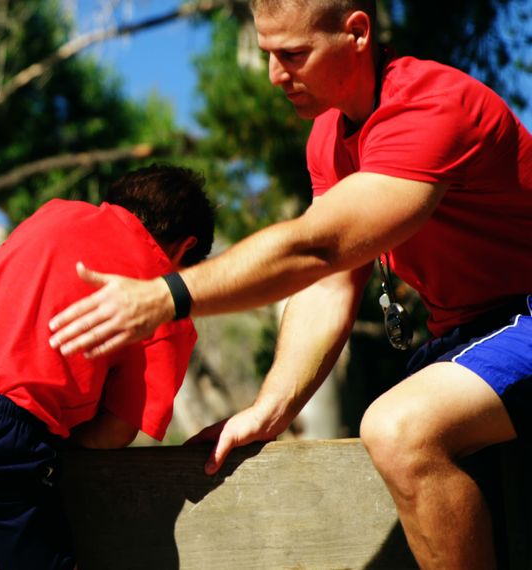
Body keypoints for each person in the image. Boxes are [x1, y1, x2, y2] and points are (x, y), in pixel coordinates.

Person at [46, 1, 532, 567]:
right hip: (470, 335)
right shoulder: (328, 138)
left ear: (356, 33)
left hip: (520, 314)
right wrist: (270, 408)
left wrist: (169, 295)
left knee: (401, 428)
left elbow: (316, 248)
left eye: (294, 54)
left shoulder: (429, 105)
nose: (277, 75)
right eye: (268, 54)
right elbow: (329, 282)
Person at [0, 165, 214, 569]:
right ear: (185, 248)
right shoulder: (163, 298)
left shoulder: (54, 214)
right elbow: (116, 431)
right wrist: (49, 452)